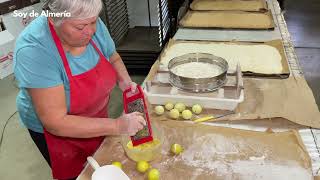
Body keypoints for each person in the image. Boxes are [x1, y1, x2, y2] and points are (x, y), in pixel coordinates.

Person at [13, 0, 146, 179]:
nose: (91, 31)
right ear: (53, 19)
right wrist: (116, 125)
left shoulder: (90, 23)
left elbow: (112, 57)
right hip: (56, 130)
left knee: (101, 163)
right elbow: (56, 122)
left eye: (93, 22)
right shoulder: (34, 50)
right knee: (77, 174)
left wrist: (125, 82)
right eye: (81, 26)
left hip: (95, 115)